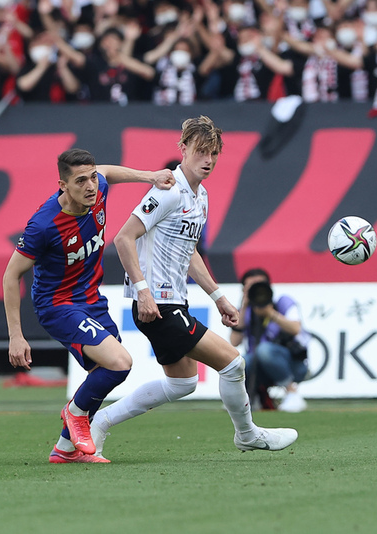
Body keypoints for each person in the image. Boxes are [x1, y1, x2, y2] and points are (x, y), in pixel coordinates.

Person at [91, 116, 298, 458]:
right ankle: (247, 434)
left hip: (172, 303)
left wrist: (219, 298)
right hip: (158, 304)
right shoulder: (168, 190)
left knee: (183, 382)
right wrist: (142, 291)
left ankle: (100, 421)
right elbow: (124, 237)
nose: (209, 160)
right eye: (202, 151)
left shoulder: (199, 196)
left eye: (214, 153)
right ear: (183, 149)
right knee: (233, 364)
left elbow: (189, 254)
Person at [3, 148, 175, 464]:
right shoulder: (44, 226)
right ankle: (75, 413)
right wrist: (16, 335)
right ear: (62, 186)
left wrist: (149, 176)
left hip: (92, 300)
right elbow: (11, 275)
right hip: (57, 305)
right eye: (81, 180)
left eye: (92, 177)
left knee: (105, 371)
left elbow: (108, 172)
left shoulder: (97, 192)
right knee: (120, 362)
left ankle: (65, 450)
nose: (91, 186)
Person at [230, 268, 310, 413]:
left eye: (260, 286)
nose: (257, 291)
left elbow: (295, 329)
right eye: (251, 288)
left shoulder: (282, 303)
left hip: (292, 364)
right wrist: (245, 304)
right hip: (257, 367)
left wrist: (271, 314)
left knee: (264, 350)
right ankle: (248, 398)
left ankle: (291, 392)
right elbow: (234, 341)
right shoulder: (244, 311)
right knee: (240, 361)